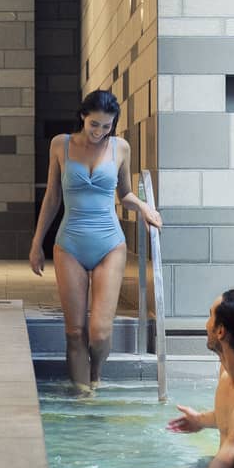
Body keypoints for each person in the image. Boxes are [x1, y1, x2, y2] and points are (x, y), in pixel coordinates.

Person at [30, 90, 163, 395]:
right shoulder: (60, 145)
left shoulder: (121, 148)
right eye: (94, 125)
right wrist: (37, 242)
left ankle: (95, 377)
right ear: (82, 117)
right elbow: (52, 197)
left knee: (99, 333)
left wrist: (144, 207)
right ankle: (82, 396)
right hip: (70, 243)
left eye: (106, 127)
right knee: (75, 331)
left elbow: (126, 194)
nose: (99, 132)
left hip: (109, 244)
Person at [87, 290, 234, 468]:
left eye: (210, 316)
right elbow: (227, 418)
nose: (206, 324)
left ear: (220, 331)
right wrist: (200, 420)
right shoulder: (226, 372)